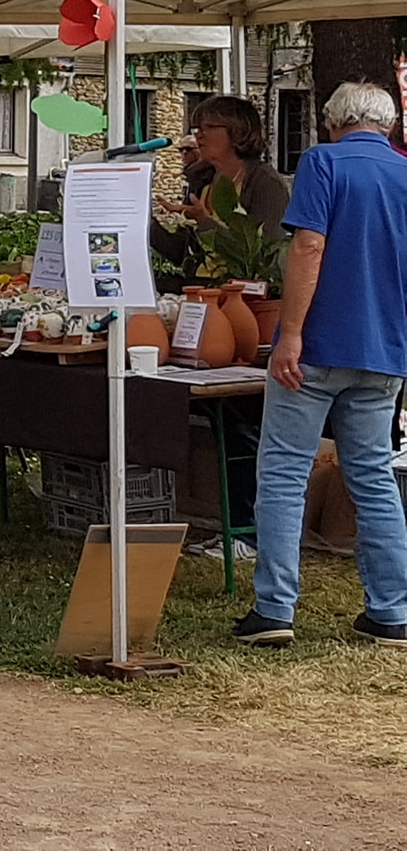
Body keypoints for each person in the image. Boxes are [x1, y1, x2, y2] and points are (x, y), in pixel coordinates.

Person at [233, 81, 407, 648]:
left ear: (333, 122)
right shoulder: (404, 172)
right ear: (389, 125)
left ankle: (274, 608)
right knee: (374, 478)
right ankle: (391, 609)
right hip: (384, 349)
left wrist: (290, 334)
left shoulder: (322, 162)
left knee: (284, 474)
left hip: (317, 347)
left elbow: (309, 246)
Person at [151, 95, 288, 268]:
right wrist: (145, 223)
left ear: (238, 132)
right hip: (199, 283)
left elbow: (262, 258)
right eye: (197, 128)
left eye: (208, 127)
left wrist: (204, 222)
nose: (198, 135)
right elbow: (183, 254)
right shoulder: (203, 179)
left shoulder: (266, 184)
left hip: (241, 286)